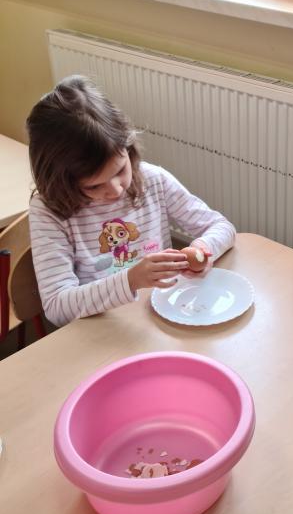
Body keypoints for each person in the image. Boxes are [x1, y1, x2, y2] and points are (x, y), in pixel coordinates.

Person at [27, 75, 236, 327]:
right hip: (101, 328)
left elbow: (222, 227)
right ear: (62, 181)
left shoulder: (152, 179)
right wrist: (131, 280)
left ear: (128, 148)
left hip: (157, 317)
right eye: (94, 185)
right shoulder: (49, 212)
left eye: (120, 170)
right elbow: (57, 307)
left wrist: (203, 249)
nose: (116, 189)